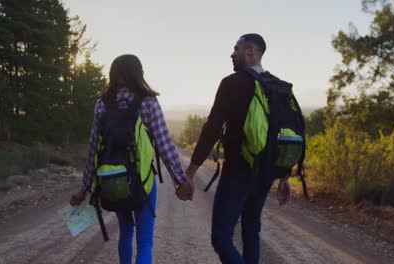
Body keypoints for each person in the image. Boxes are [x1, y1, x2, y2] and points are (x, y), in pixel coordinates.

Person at [70, 54, 193, 264]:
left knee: (126, 233)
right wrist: (181, 180)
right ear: (138, 74)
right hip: (142, 183)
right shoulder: (147, 101)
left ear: (113, 74)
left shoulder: (102, 104)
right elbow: (164, 145)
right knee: (145, 241)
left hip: (113, 182)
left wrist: (85, 188)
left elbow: (93, 149)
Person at [184, 34, 292, 264]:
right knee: (251, 231)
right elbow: (284, 133)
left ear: (250, 51)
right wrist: (284, 174)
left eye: (236, 48)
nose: (232, 54)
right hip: (264, 172)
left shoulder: (232, 83)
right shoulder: (277, 86)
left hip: (237, 172)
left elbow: (212, 128)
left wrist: (190, 172)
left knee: (221, 238)